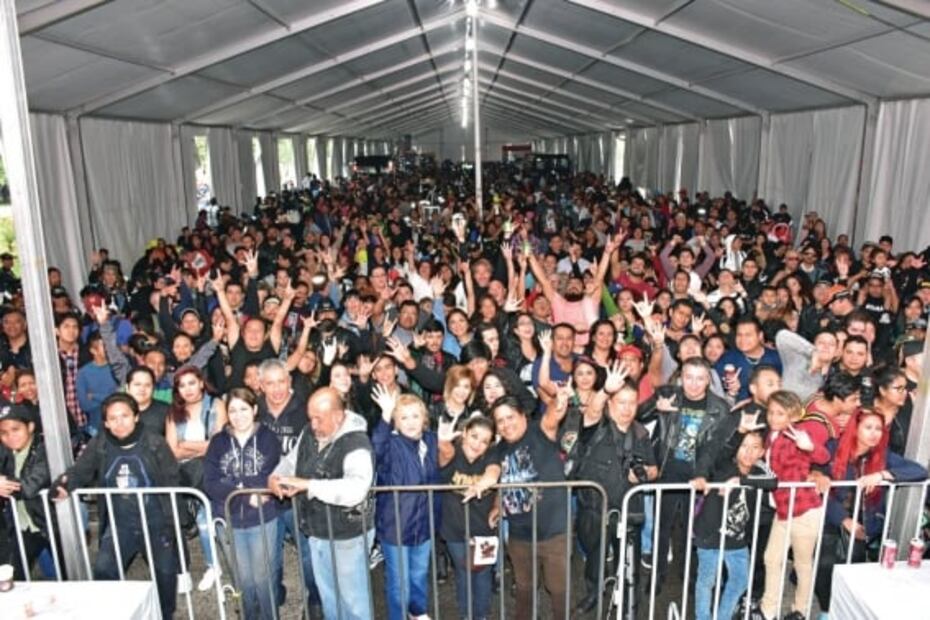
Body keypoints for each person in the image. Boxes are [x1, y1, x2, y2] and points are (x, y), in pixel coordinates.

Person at [51, 394, 181, 620]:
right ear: (105, 422)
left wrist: (175, 520)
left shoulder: (154, 442)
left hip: (156, 522)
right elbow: (80, 470)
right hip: (120, 523)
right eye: (113, 418)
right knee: (104, 570)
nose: (119, 423)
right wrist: (64, 485)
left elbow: (172, 478)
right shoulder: (100, 443)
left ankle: (164, 615)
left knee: (165, 576)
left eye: (125, 416)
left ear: (136, 417)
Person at [269, 387, 375, 620]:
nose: (313, 424)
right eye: (311, 418)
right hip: (317, 531)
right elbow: (291, 460)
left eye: (319, 419)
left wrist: (309, 485)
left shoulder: (357, 444)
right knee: (329, 599)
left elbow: (356, 489)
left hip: (348, 535)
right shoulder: (309, 432)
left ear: (338, 417)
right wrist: (275, 477)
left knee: (354, 604)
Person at [814, 409, 928, 615]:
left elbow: (919, 471)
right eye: (868, 427)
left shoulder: (882, 456)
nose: (874, 433)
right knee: (825, 566)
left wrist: (883, 474)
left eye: (879, 429)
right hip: (829, 518)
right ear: (855, 429)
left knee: (853, 571)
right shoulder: (833, 447)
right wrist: (843, 519)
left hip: (864, 523)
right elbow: (819, 487)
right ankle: (825, 610)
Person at [567, 375, 657, 613]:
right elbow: (592, 411)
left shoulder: (640, 434)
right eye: (621, 402)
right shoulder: (597, 427)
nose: (627, 409)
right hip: (594, 509)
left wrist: (645, 472)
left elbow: (655, 468)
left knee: (629, 564)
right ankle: (594, 593)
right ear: (610, 404)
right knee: (595, 558)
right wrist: (605, 390)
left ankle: (629, 605)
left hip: (629, 511)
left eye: (632, 403)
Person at [204, 387, 281, 620]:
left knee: (262, 577)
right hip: (227, 518)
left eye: (244, 409)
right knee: (242, 579)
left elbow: (269, 475)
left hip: (262, 518)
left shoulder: (269, 439)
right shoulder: (217, 442)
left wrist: (235, 485)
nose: (238, 415)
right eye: (233, 410)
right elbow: (210, 481)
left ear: (255, 409)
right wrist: (246, 493)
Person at [489, 395, 569, 620]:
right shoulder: (499, 449)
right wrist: (496, 506)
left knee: (558, 589)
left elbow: (552, 417)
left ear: (523, 415)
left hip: (553, 532)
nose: (506, 424)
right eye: (500, 420)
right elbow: (499, 480)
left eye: (510, 417)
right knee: (524, 588)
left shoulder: (539, 431)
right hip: (519, 534)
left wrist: (558, 402)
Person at [759, 391, 830, 620]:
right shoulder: (771, 435)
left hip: (804, 508)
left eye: (780, 413)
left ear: (792, 415)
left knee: (802, 564)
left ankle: (800, 611)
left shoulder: (799, 434)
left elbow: (823, 456)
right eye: (770, 412)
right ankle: (768, 610)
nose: (773, 417)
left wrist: (809, 447)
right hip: (783, 509)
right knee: (772, 558)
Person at [370, 392, 440, 620]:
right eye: (403, 417)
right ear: (395, 422)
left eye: (415, 416)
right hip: (396, 525)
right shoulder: (390, 443)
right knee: (399, 583)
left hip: (425, 522)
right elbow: (375, 450)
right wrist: (384, 415)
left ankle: (417, 611)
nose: (410, 422)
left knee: (419, 574)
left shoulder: (431, 440)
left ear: (424, 418)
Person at [693, 431, 775, 620]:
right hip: (709, 535)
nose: (748, 453)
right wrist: (738, 433)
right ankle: (703, 617)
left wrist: (741, 481)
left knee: (740, 581)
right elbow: (717, 454)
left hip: (737, 539)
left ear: (762, 452)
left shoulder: (760, 469)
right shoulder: (725, 466)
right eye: (744, 446)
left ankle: (723, 617)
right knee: (706, 581)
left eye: (755, 448)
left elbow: (773, 482)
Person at [165, 365, 227, 591]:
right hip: (183, 475)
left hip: (211, 470)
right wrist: (202, 446)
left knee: (204, 520)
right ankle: (185, 570)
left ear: (201, 383)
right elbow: (172, 450)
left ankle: (213, 566)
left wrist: (186, 445)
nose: (188, 389)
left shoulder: (217, 405)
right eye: (182, 385)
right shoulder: (173, 413)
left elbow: (218, 444)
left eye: (192, 383)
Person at [438, 415, 500, 620]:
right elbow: (445, 454)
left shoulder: (490, 455)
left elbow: (494, 472)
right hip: (455, 529)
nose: (478, 444)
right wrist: (443, 441)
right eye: (474, 436)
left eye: (484, 441)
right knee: (464, 573)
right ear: (464, 433)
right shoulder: (453, 453)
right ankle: (466, 615)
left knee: (483, 575)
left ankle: (481, 616)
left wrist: (482, 484)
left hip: (484, 529)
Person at [0, 403, 52, 580]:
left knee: (71, 576)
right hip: (22, 526)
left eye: (16, 429)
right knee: (14, 576)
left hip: (51, 524)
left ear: (30, 427)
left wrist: (3, 484)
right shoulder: (5, 452)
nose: (10, 437)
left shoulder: (45, 450)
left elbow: (29, 486)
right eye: (4, 433)